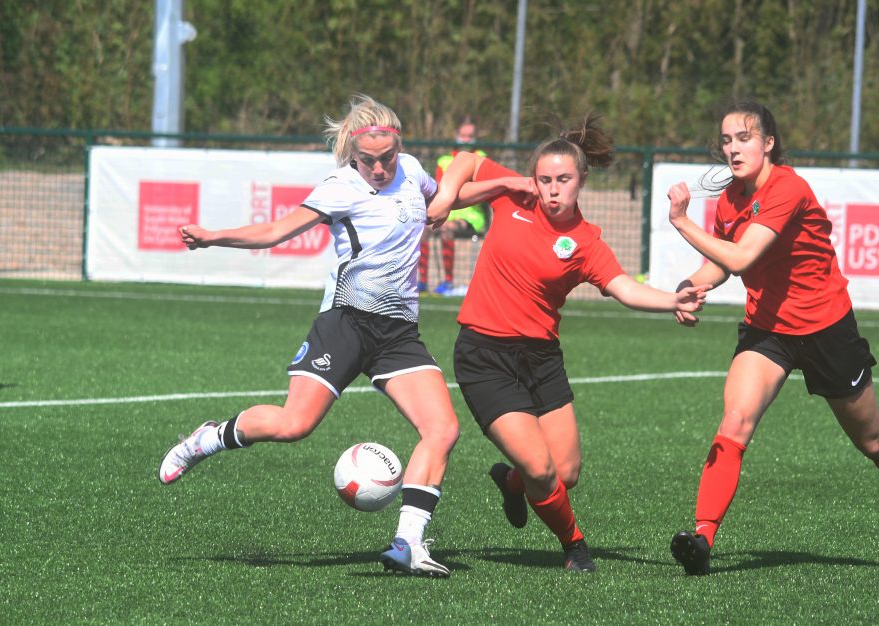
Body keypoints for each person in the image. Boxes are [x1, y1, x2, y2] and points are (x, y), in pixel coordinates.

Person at [158, 94, 460, 578]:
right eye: (369, 162)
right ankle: (207, 439)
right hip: (345, 323)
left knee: (442, 429)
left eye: (387, 158)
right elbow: (277, 231)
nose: (380, 169)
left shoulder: (412, 169)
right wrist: (214, 236)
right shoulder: (340, 187)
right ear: (352, 156)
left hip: (398, 332)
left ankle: (408, 544)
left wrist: (480, 189)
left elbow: (438, 201)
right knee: (293, 425)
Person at [428, 114, 709, 572]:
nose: (552, 189)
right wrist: (452, 195)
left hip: (541, 359)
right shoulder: (513, 197)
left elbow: (623, 287)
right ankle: (575, 546)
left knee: (566, 472)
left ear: (581, 181)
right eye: (545, 180)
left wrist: (671, 300)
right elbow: (463, 160)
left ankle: (512, 483)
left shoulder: (587, 241)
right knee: (543, 471)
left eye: (562, 179)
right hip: (484, 355)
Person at [665, 99, 878, 576]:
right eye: (726, 140)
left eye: (744, 138)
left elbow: (742, 258)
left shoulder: (788, 187)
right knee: (734, 421)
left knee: (872, 442)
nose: (734, 149)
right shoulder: (729, 198)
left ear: (768, 143)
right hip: (768, 330)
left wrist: (681, 222)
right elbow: (722, 262)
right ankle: (701, 539)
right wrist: (691, 285)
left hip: (825, 327)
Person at [418, 117, 488, 295]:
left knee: (447, 229)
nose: (466, 139)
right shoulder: (444, 160)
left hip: (471, 217)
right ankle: (422, 282)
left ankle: (448, 281)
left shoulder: (481, 157)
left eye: (470, 135)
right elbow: (439, 190)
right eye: (463, 135)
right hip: (447, 212)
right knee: (422, 229)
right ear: (457, 135)